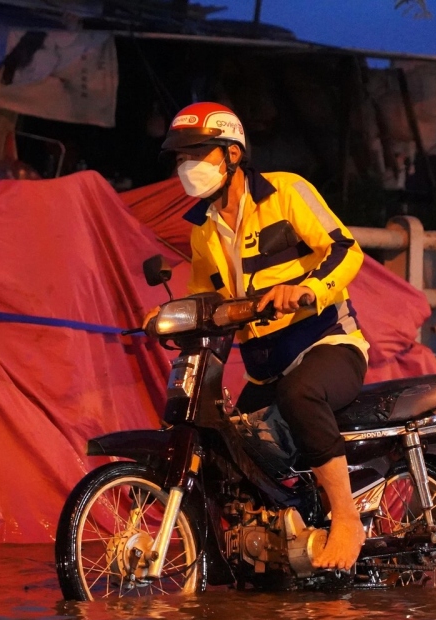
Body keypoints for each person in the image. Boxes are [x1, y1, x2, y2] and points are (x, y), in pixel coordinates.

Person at [157, 101, 369, 571]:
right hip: (263, 364)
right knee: (232, 449)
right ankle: (275, 544)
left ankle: (347, 518)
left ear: (232, 154)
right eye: (180, 157)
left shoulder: (287, 192)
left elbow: (344, 248)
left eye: (198, 153)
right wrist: (171, 316)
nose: (187, 167)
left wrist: (309, 290)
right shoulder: (202, 231)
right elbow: (204, 303)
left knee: (301, 392)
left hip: (327, 345)